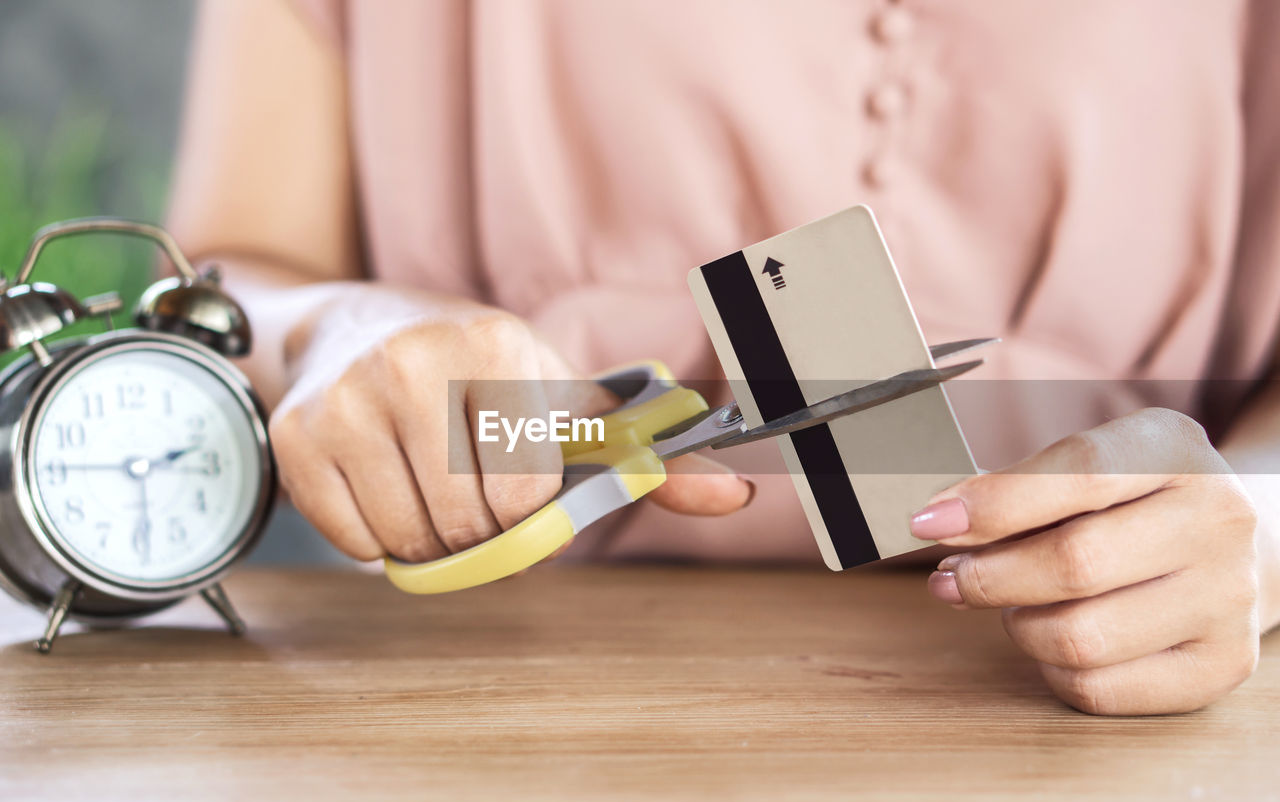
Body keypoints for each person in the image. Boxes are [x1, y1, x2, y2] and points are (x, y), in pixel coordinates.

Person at [165, 0, 1280, 715]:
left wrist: (1259, 527)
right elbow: (230, 267)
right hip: (500, 701)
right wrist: (336, 329)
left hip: (1111, 719)